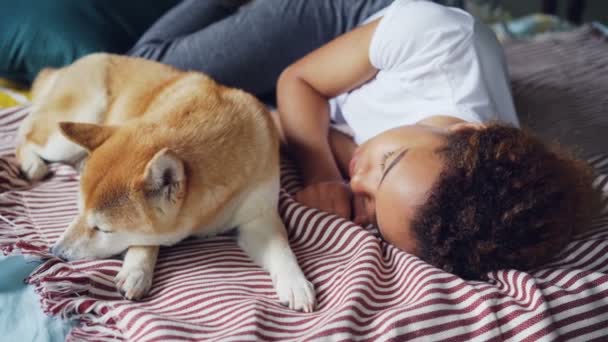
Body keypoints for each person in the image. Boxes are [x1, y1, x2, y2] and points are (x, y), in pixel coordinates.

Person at [130, 0, 595, 280]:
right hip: (361, 15)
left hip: (366, 71)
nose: (359, 184)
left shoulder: (459, 188)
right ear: (464, 132)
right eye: (386, 164)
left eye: (370, 206)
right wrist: (321, 175)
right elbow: (299, 83)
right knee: (147, 63)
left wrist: (361, 182)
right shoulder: (433, 39)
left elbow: (330, 135)